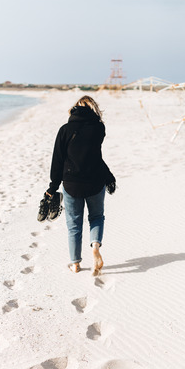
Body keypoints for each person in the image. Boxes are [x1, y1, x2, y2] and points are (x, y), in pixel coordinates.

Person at [42, 95, 116, 275]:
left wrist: (52, 187)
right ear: (93, 109)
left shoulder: (65, 129)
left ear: (74, 109)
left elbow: (57, 160)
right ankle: (95, 246)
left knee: (74, 224)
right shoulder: (99, 128)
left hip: (71, 184)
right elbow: (95, 157)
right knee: (97, 217)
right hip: (96, 181)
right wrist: (109, 177)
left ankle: (75, 263)